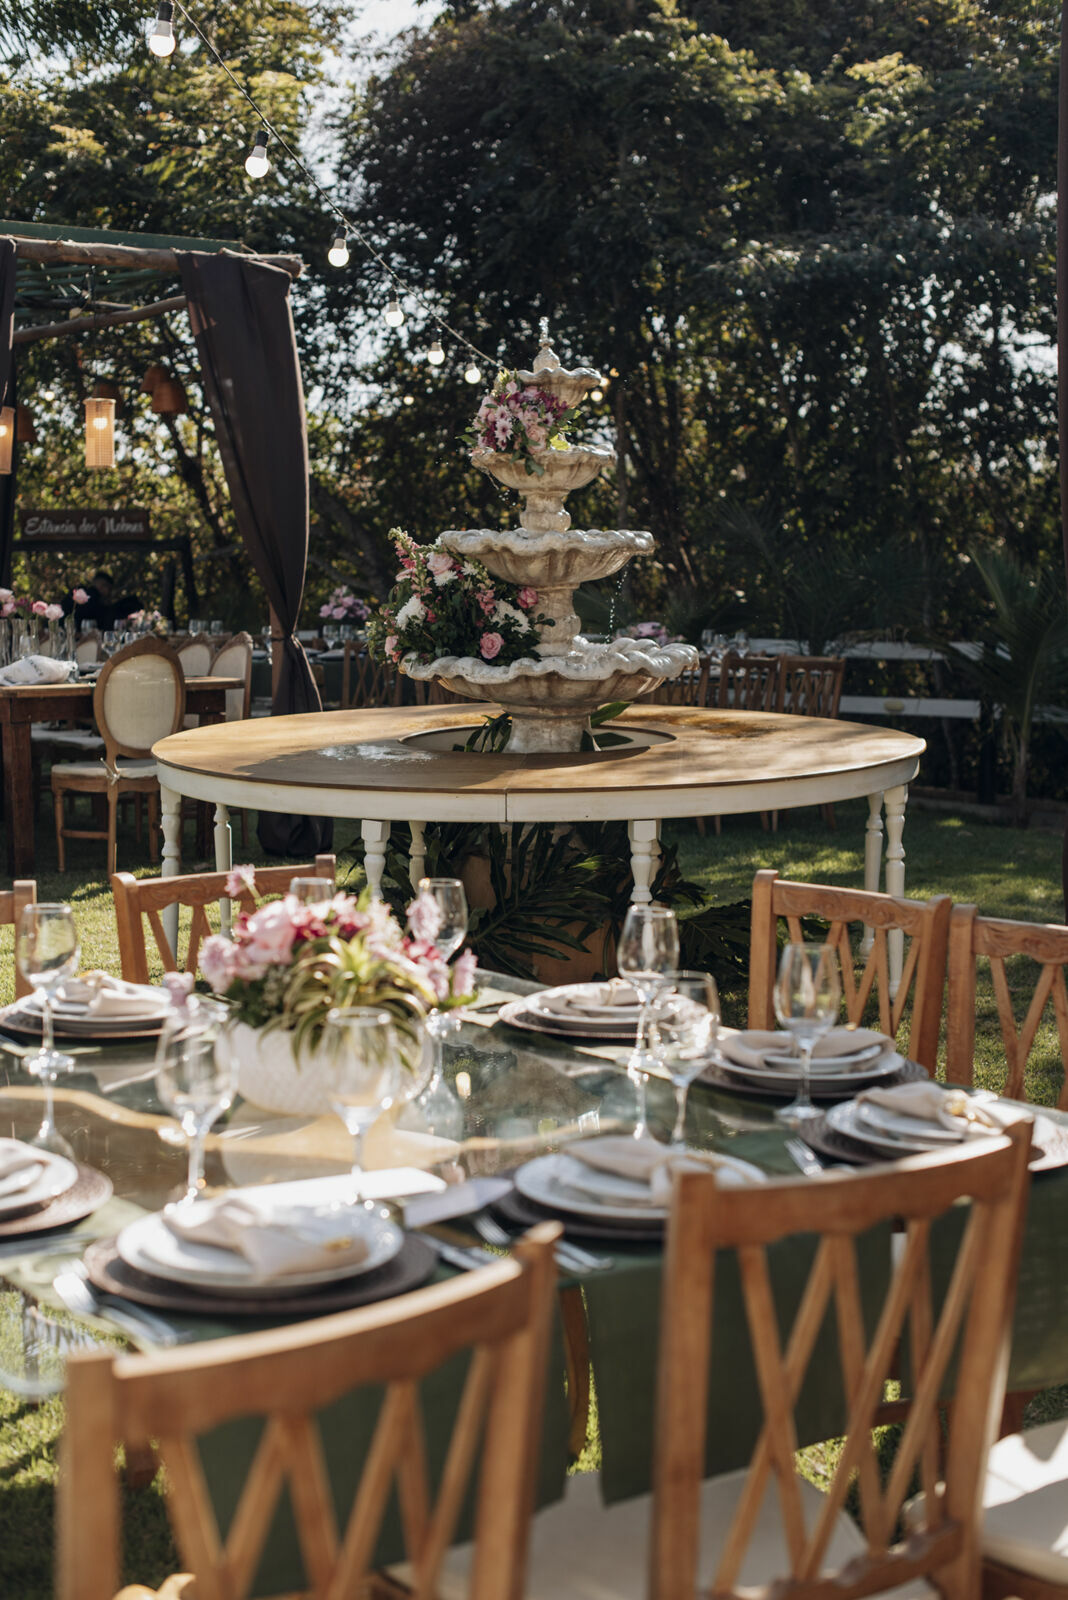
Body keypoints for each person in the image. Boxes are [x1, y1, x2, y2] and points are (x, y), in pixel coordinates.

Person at [68, 571, 142, 630]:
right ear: (102, 585)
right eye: (109, 589)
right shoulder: (92, 599)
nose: (109, 593)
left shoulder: (81, 593)